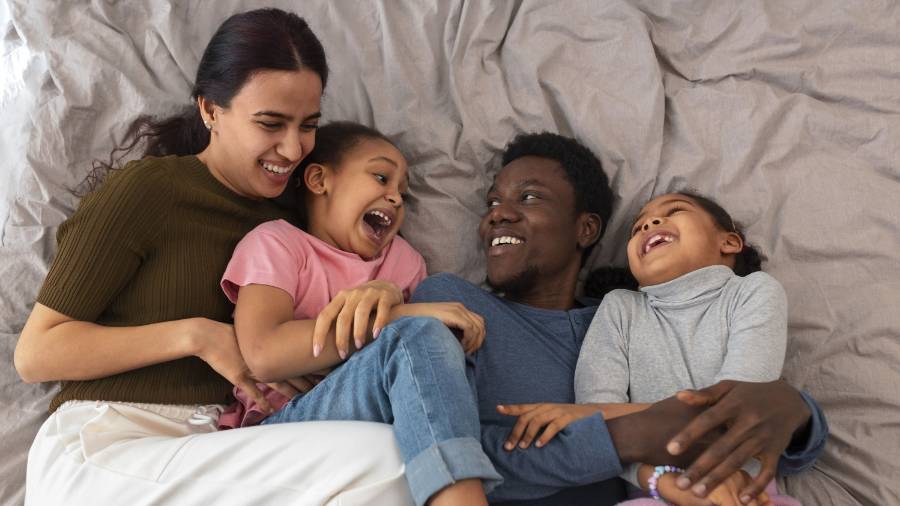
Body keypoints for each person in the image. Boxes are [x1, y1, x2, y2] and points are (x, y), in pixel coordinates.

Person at [14, 9, 420, 505]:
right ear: (211, 110)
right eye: (271, 123)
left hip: (220, 448)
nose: (293, 148)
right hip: (106, 444)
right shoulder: (150, 190)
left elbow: (358, 274)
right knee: (387, 462)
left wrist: (383, 292)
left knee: (405, 459)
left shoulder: (298, 216)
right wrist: (197, 335)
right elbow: (36, 354)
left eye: (308, 125)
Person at [410, 133, 827, 505]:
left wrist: (798, 411)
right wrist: (630, 439)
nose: (498, 214)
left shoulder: (624, 315)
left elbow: (766, 428)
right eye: (493, 203)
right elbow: (445, 447)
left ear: (586, 229)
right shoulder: (451, 305)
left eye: (530, 197)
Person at [220, 120, 502, 505]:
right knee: (420, 334)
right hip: (277, 424)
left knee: (439, 345)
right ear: (320, 180)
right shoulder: (279, 243)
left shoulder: (404, 263)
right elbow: (264, 355)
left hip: (375, 410)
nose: (396, 198)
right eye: (381, 177)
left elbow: (425, 376)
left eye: (403, 191)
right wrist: (398, 317)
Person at [497, 191, 801, 505]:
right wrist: (657, 478)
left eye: (676, 210)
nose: (651, 223)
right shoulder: (619, 308)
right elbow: (601, 432)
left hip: (746, 488)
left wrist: (588, 414)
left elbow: (734, 410)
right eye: (637, 227)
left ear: (729, 243)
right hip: (651, 490)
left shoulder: (752, 291)